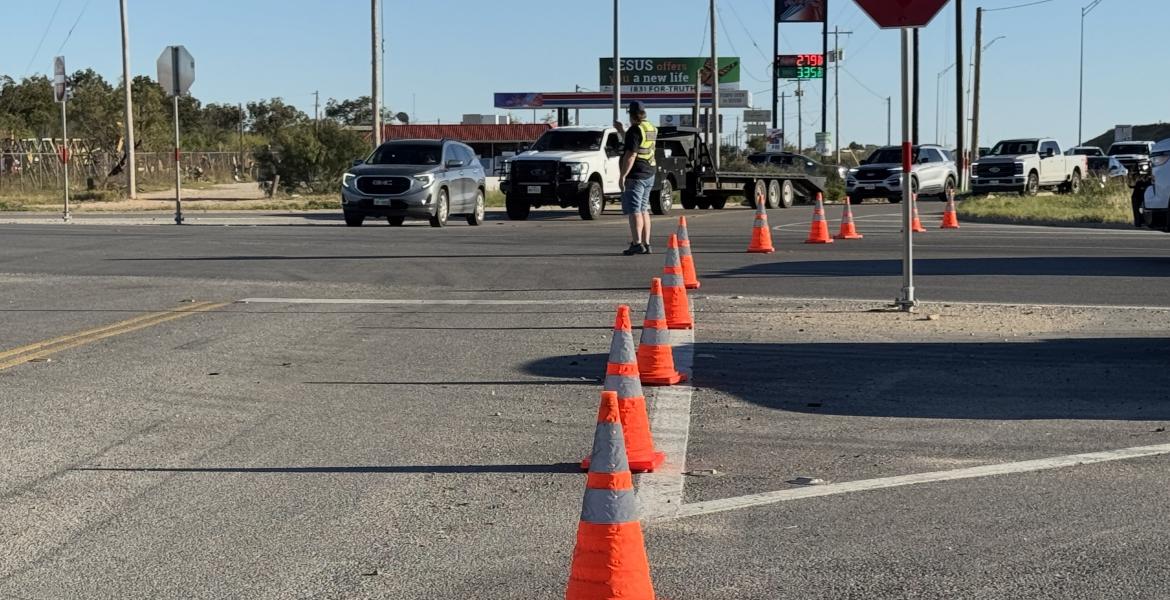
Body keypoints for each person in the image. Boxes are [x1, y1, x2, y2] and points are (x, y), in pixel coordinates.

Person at [618, 101, 658, 255]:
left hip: (636, 174)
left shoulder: (635, 130)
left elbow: (631, 154)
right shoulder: (650, 127)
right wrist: (622, 131)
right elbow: (637, 144)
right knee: (643, 209)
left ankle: (636, 244)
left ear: (631, 114)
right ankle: (646, 243)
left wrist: (623, 175)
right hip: (649, 172)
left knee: (634, 210)